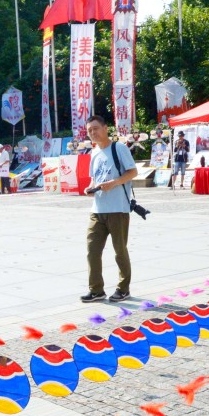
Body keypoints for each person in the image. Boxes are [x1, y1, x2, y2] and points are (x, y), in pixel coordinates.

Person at [82, 114, 137, 303]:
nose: (93, 133)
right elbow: (93, 178)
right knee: (92, 250)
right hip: (97, 209)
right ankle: (96, 290)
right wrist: (90, 188)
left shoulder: (119, 148)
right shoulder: (94, 153)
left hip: (118, 209)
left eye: (96, 128)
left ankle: (123, 288)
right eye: (89, 131)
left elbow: (133, 172)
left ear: (106, 128)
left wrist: (114, 183)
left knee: (119, 250)